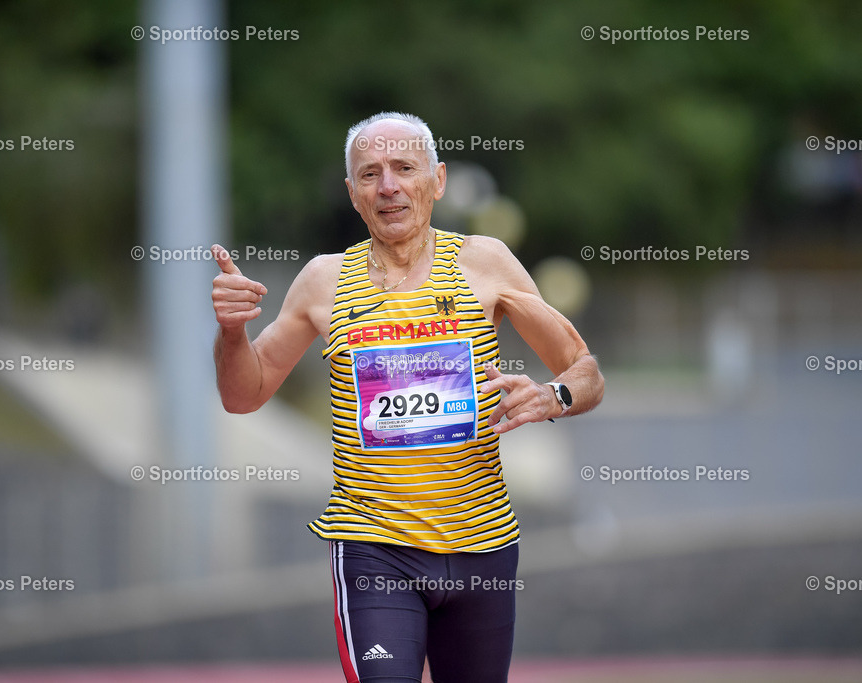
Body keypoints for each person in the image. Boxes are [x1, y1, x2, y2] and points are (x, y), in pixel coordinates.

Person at [211, 112, 604, 683]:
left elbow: (586, 371)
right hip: (375, 549)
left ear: (437, 181)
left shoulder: (484, 264)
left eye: (403, 168)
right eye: (369, 174)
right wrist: (229, 333)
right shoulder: (323, 280)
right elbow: (243, 396)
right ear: (352, 194)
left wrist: (554, 394)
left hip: (483, 547)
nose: (388, 186)